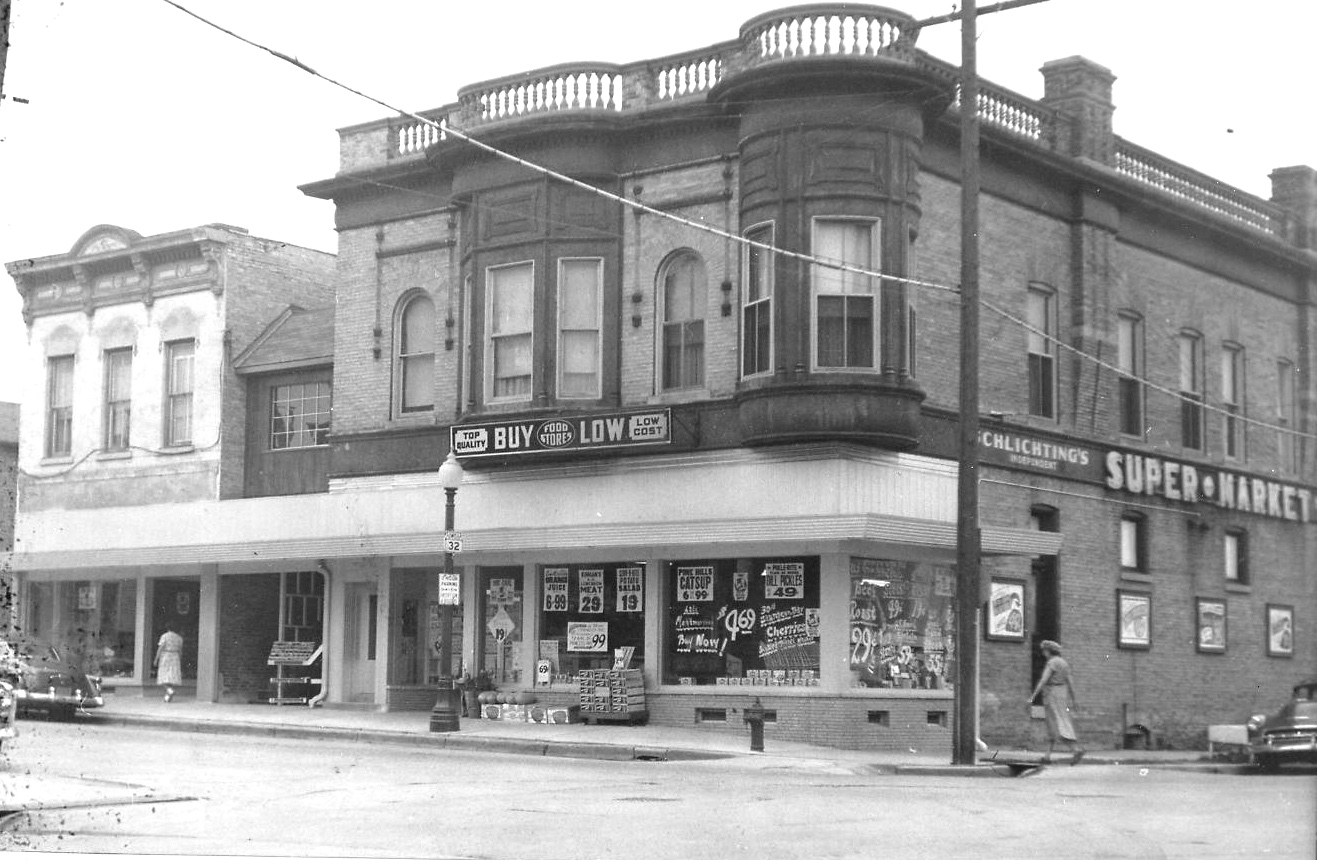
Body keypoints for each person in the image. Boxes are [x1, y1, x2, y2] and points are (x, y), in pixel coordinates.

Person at [1029, 639, 1085, 765]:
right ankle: (1047, 756)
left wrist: (1033, 696)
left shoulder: (1052, 663)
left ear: (1048, 651)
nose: (1043, 653)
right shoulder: (1064, 663)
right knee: (1059, 722)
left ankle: (1075, 750)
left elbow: (1043, 680)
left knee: (1055, 725)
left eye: (1044, 651)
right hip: (1062, 694)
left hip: (1051, 694)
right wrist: (1074, 699)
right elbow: (1070, 683)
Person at [153, 624, 184, 702]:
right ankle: (167, 697)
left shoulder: (164, 636)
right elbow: (180, 650)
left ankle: (169, 690)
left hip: (166, 656)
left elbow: (160, 648)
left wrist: (156, 658)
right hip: (175, 656)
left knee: (163, 676)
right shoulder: (179, 638)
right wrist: (179, 658)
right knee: (172, 676)